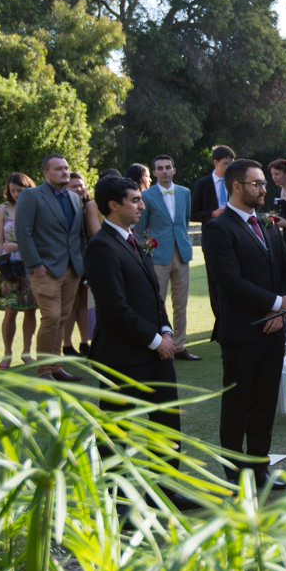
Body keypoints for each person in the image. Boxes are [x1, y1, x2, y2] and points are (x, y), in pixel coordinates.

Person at [201, 159, 286, 490]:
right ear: (237, 187)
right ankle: (233, 472)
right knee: (238, 405)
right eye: (256, 184)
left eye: (263, 184)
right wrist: (274, 305)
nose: (263, 189)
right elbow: (229, 281)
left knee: (265, 402)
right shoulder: (218, 228)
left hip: (273, 330)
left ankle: (259, 468)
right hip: (242, 330)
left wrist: (281, 310)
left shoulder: (269, 224)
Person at [85, 174, 180, 451]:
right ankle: (116, 495)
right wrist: (156, 341)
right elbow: (115, 307)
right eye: (135, 200)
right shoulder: (101, 247)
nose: (142, 206)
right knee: (118, 433)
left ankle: (167, 492)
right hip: (122, 356)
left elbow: (154, 294)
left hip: (156, 352)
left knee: (167, 425)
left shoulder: (136, 239)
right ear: (114, 205)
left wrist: (166, 330)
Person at [15, 154, 85, 381]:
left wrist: (80, 263)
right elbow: (23, 233)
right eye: (58, 169)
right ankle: (43, 370)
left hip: (72, 268)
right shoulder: (31, 196)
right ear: (45, 173)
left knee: (63, 318)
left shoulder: (75, 199)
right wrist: (35, 264)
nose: (64, 172)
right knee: (51, 317)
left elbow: (77, 234)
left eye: (66, 168)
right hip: (45, 268)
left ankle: (56, 367)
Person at [141, 154, 200, 360]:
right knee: (156, 302)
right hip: (158, 255)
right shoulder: (147, 196)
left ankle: (179, 346)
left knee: (181, 302)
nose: (165, 171)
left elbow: (183, 221)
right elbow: (141, 228)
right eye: (160, 168)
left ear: (174, 170)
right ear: (154, 172)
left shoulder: (185, 192)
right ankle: (158, 345)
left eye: (168, 167)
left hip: (181, 252)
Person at [0, 175, 37, 368]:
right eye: (13, 190)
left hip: (30, 265)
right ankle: (7, 353)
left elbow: (39, 238)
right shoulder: (2, 211)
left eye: (20, 190)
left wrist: (17, 246)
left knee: (30, 310)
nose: (16, 194)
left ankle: (27, 352)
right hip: (10, 267)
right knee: (10, 310)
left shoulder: (34, 208)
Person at [63, 171, 104, 357]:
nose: (79, 189)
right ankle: (66, 344)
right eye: (74, 186)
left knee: (84, 304)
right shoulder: (65, 207)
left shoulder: (90, 206)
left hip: (88, 259)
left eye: (81, 185)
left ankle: (84, 341)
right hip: (69, 261)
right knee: (71, 304)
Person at [191, 145, 236, 223]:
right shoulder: (202, 185)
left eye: (232, 164)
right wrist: (212, 214)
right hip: (212, 230)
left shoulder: (237, 183)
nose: (229, 167)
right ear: (216, 162)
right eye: (226, 163)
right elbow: (193, 214)